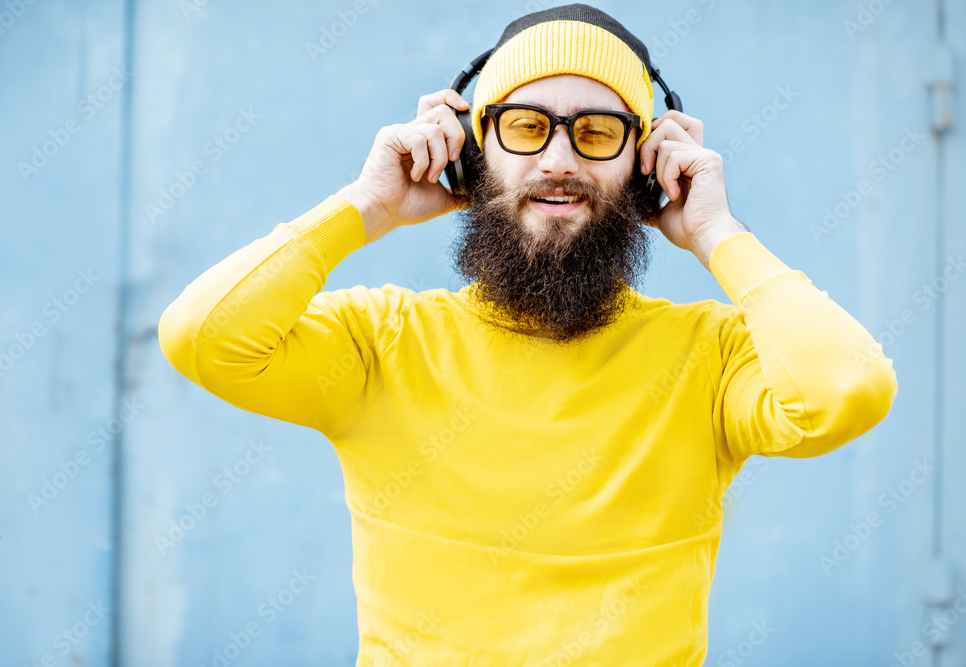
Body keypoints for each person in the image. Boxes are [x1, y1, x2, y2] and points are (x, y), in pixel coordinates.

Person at [158, 4, 898, 665]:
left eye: (598, 132)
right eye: (525, 125)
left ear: (645, 165)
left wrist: (716, 233)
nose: (558, 160)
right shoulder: (382, 343)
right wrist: (366, 204)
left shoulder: (709, 357)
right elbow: (204, 335)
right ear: (474, 151)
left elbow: (848, 389)